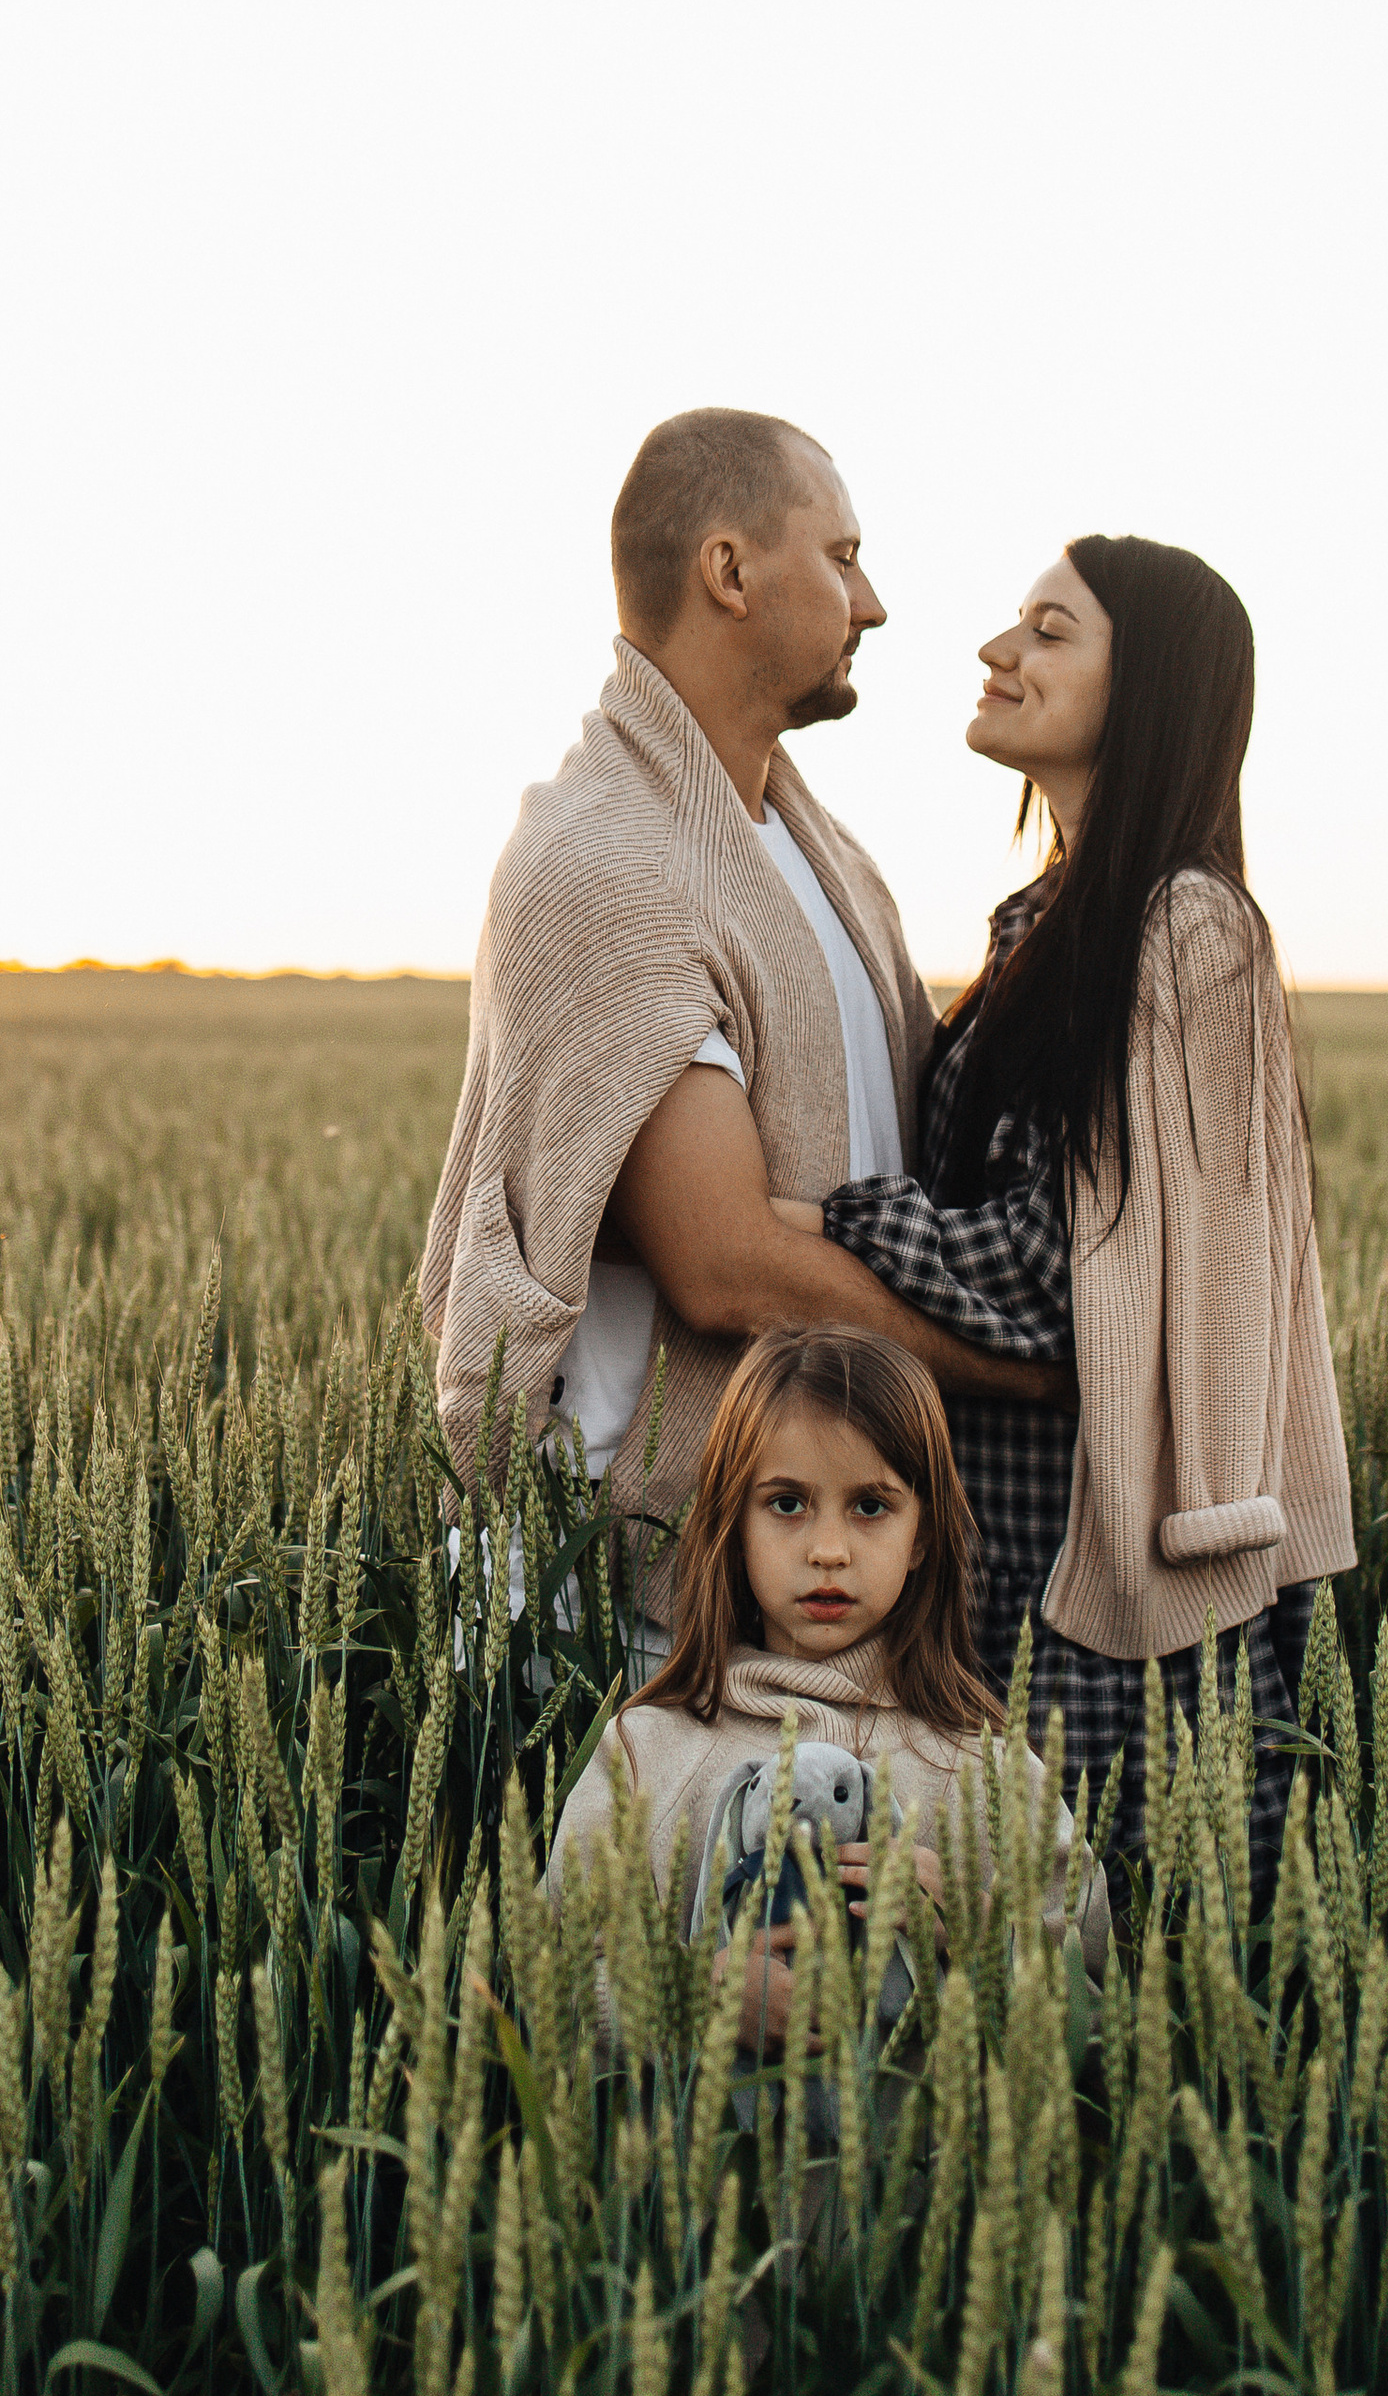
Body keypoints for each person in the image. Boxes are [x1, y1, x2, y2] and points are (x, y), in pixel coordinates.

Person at [419, 408, 1057, 1632]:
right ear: (729, 571)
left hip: (815, 1566)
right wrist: (1022, 1375)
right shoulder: (607, 857)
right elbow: (722, 1267)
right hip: (637, 1600)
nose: (871, 603)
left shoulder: (813, 851)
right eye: (842, 556)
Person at [808, 536, 1354, 1901]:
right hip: (1006, 1561)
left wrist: (822, 1218)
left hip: (1107, 1596)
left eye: (1050, 631)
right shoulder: (1046, 923)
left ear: (1151, 689)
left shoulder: (1187, 930)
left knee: (1095, 1972)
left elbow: (1073, 1275)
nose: (1000, 651)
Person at [545, 1324, 1108, 2046]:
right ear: (734, 1525)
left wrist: (975, 1927)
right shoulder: (648, 1749)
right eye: (786, 1504)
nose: (829, 1551)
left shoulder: (985, 1769)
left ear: (924, 1537)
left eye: (871, 1506)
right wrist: (690, 1997)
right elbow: (546, 1986)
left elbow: (1096, 2019)